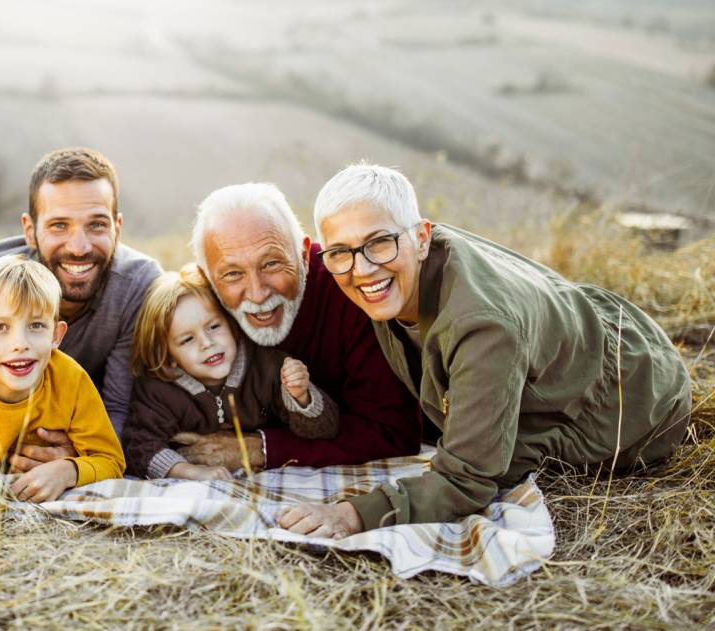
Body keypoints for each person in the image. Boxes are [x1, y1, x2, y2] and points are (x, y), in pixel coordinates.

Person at [277, 163, 692, 538]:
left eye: (379, 242)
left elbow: (466, 479)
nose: (363, 268)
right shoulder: (397, 270)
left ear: (422, 237)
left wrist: (353, 514)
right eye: (340, 253)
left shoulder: (481, 326)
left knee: (493, 457)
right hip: (591, 329)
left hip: (637, 399)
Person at [177, 183, 421, 471]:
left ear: (305, 254)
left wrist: (261, 448)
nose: (257, 294)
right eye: (232, 274)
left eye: (271, 264)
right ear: (206, 276)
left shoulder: (353, 290)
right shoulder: (204, 314)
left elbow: (394, 432)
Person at [0, 147, 161, 446]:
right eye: (59, 225)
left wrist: (75, 456)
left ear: (117, 228)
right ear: (30, 230)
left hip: (83, 429)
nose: (79, 247)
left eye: (96, 225)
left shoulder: (138, 284)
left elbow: (119, 407)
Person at [0, 255, 126, 516]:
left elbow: (111, 460)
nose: (20, 343)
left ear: (56, 335)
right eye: (0, 327)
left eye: (36, 325)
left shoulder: (72, 379)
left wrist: (67, 471)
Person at [122, 264, 339, 480]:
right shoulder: (159, 391)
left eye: (214, 327)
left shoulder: (268, 367)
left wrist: (301, 396)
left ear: (231, 322)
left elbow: (325, 430)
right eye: (187, 339)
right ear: (168, 358)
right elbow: (139, 445)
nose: (207, 343)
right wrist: (188, 471)